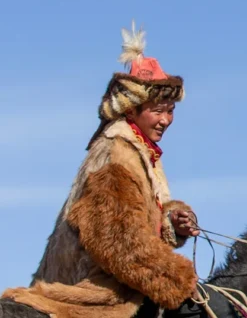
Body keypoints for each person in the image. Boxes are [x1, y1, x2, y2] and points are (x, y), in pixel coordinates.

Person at [2, 22, 199, 318]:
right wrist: (178, 279)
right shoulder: (115, 153)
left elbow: (140, 218)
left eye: (170, 111)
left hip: (121, 286)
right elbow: (117, 240)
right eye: (158, 111)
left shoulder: (142, 152)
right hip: (92, 294)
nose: (165, 120)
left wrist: (172, 220)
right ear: (131, 109)